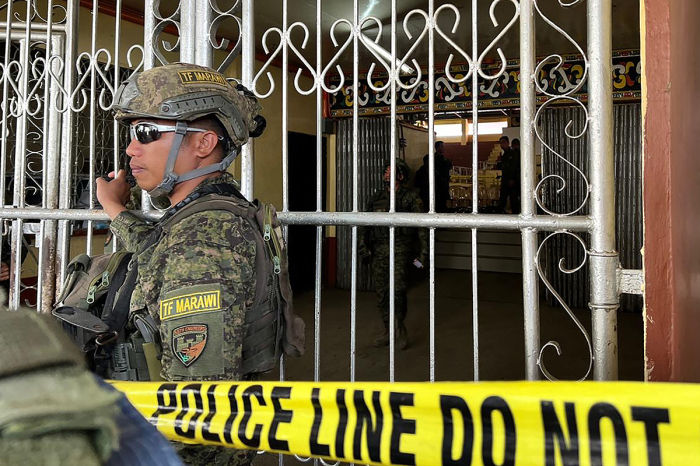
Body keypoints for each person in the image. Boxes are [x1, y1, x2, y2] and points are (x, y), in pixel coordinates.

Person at [96, 63, 268, 466]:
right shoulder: (201, 218)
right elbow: (159, 256)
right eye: (132, 133)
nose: (131, 149)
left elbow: (196, 404)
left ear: (204, 143)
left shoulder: (205, 237)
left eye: (147, 133)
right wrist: (114, 208)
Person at [359, 159, 428, 350]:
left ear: (401, 176)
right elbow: (365, 223)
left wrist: (423, 254)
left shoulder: (410, 197)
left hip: (401, 247)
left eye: (391, 171)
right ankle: (388, 330)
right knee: (381, 293)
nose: (386, 173)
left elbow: (421, 226)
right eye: (385, 170)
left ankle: (400, 328)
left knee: (397, 290)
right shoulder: (376, 197)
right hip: (380, 249)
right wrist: (362, 246)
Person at [414, 140, 453, 213]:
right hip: (430, 193)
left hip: (440, 190)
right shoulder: (424, 170)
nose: (443, 148)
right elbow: (417, 183)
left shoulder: (442, 160)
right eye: (441, 147)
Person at [498, 136, 520, 214]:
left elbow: (514, 167)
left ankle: (515, 214)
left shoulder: (513, 154)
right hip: (505, 180)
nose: (501, 145)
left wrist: (512, 178)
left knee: (513, 199)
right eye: (500, 143)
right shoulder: (504, 155)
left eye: (503, 143)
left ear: (508, 143)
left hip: (512, 180)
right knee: (503, 199)